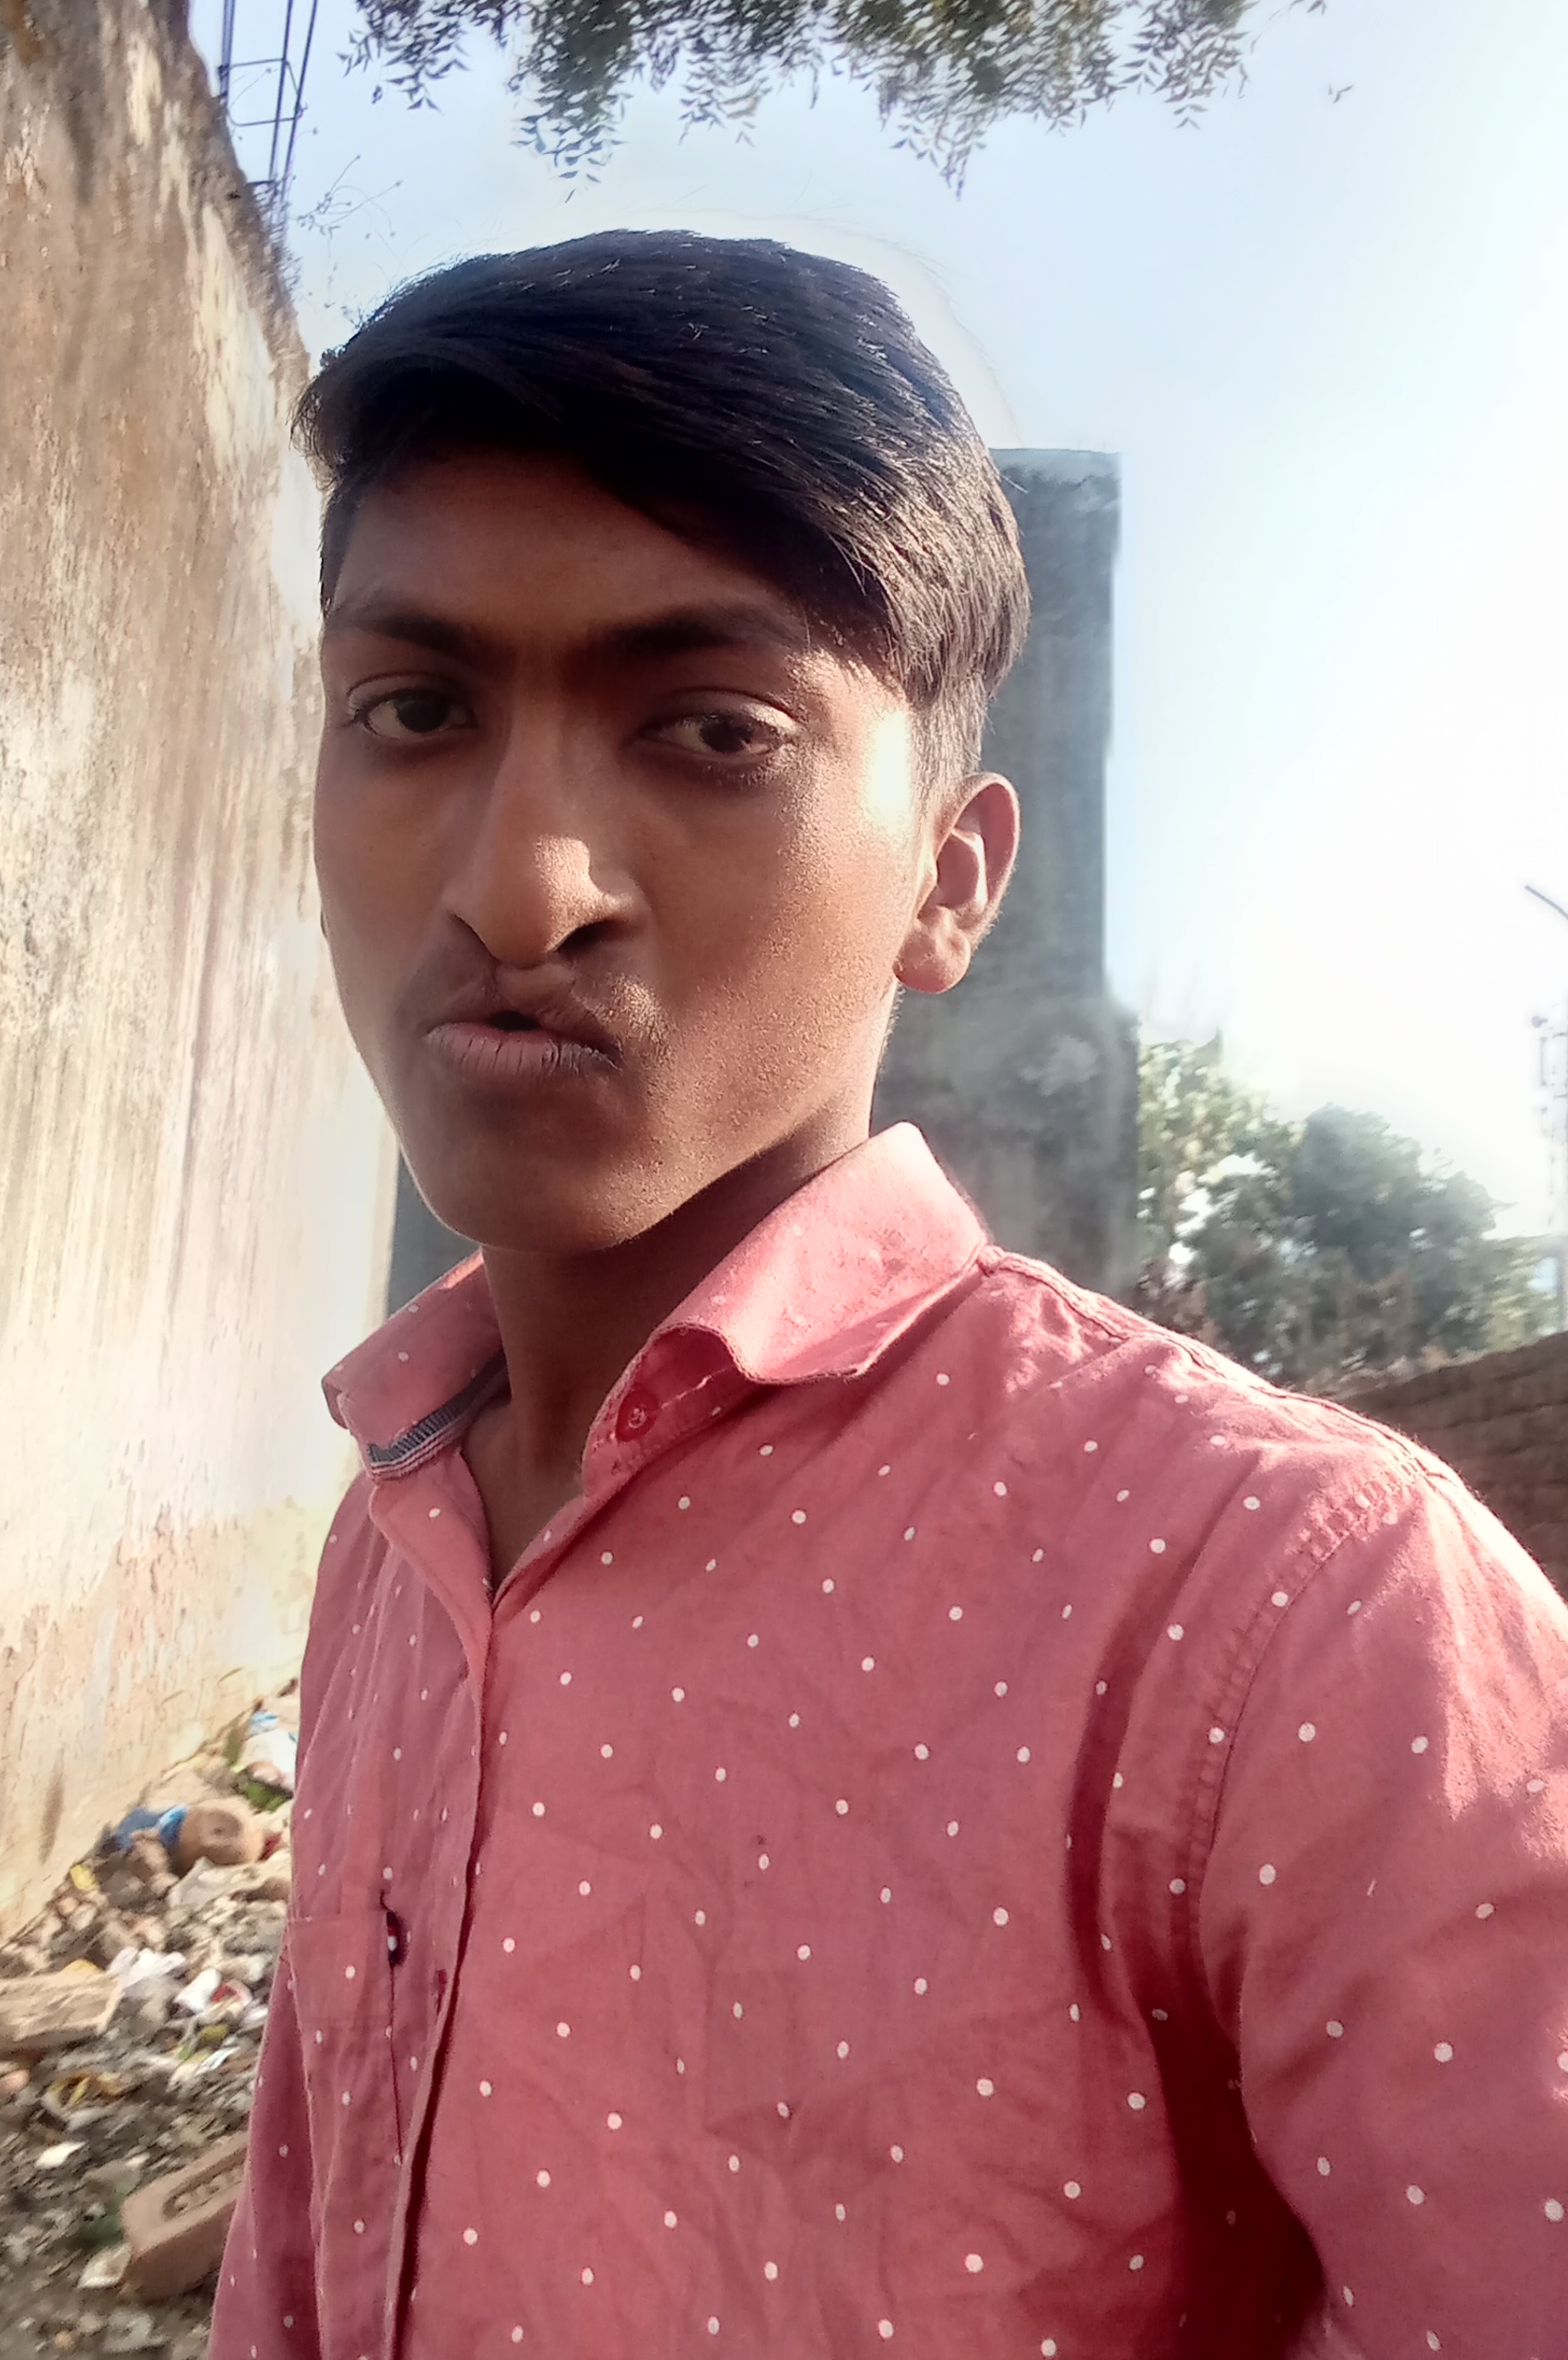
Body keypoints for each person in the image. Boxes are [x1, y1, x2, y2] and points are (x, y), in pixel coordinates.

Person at [209, 231, 1568, 2360]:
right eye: (415, 709)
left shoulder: (1299, 1607)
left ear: (950, 876)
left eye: (713, 728)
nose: (518, 884)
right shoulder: (395, 1538)